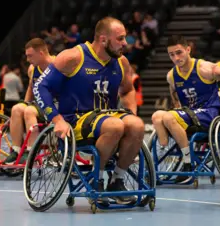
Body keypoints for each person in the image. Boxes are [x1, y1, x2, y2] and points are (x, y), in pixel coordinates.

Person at [34, 17, 144, 205]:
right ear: (103, 39)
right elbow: (40, 87)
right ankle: (96, 179)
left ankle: (117, 181)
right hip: (75, 119)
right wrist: (56, 120)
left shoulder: (121, 62)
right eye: (120, 38)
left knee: (137, 125)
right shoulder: (73, 57)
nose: (125, 43)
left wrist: (131, 111)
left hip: (106, 116)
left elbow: (127, 90)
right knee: (115, 125)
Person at [151, 35, 220, 184]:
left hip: (209, 114)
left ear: (188, 50)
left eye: (179, 52)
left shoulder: (206, 69)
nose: (176, 58)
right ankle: (163, 151)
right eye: (172, 54)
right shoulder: (171, 76)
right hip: (188, 114)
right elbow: (176, 102)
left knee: (169, 117)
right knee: (157, 116)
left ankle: (188, 163)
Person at [5, 38, 54, 164]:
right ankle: (16, 150)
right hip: (39, 105)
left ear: (41, 53)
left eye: (30, 56)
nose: (27, 60)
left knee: (29, 111)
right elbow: (31, 88)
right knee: (17, 108)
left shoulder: (58, 65)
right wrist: (25, 103)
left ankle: (31, 151)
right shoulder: (33, 69)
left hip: (55, 105)